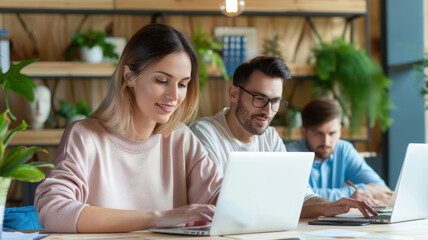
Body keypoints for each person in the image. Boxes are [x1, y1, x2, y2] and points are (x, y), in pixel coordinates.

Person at [34, 23, 222, 233]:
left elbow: (222, 199)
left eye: (182, 84)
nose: (174, 96)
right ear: (129, 76)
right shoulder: (85, 136)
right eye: (162, 80)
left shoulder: (180, 138)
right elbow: (54, 211)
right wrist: (159, 218)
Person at [191, 56, 377, 218]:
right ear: (234, 93)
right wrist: (319, 207)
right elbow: (221, 207)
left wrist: (331, 206)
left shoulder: (270, 137)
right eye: (260, 98)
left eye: (275, 101)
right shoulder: (205, 134)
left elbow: (299, 196)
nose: (268, 111)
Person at [286, 99, 392, 205]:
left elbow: (381, 189)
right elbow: (299, 197)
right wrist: (353, 193)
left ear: (340, 130)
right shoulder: (289, 155)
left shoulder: (344, 150)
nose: (326, 142)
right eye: (318, 134)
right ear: (303, 132)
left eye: (332, 133)